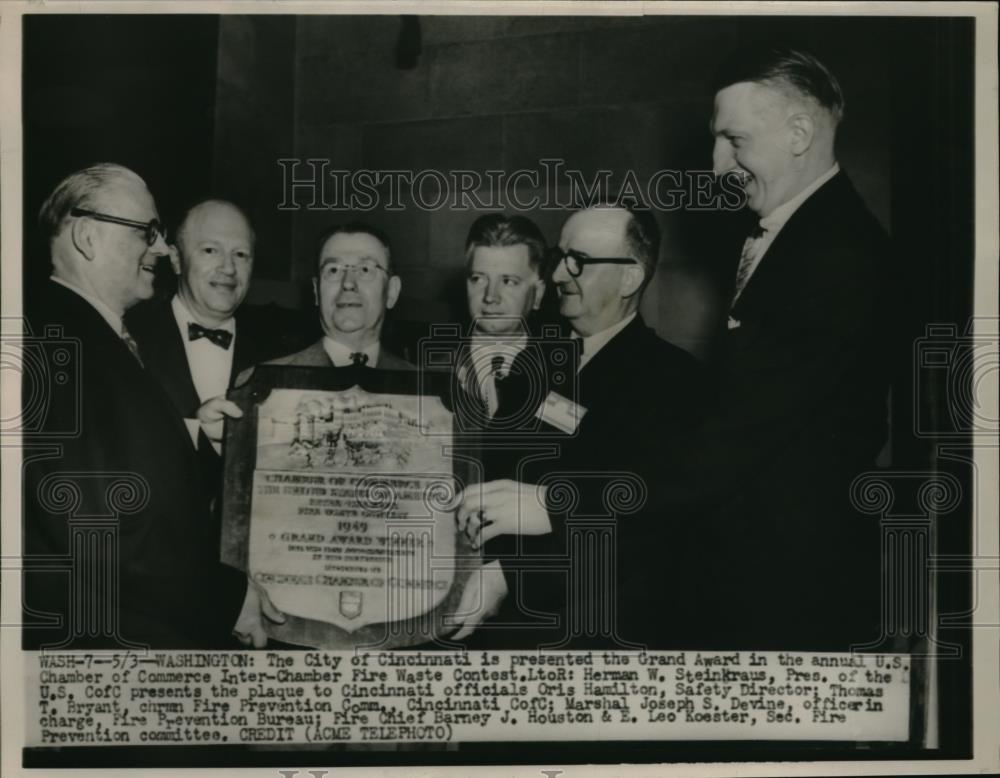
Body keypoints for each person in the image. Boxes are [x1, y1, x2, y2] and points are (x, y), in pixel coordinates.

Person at [22, 164, 280, 649]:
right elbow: (96, 528)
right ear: (87, 237)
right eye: (147, 232)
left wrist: (187, 432)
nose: (161, 249)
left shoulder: (84, 334)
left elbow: (112, 457)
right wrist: (228, 596)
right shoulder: (59, 345)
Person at [685, 47, 892, 649]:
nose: (718, 164)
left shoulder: (838, 256)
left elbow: (740, 432)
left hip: (796, 586)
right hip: (768, 565)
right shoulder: (801, 234)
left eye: (734, 140)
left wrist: (565, 506)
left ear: (799, 133)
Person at [452, 205, 706, 649]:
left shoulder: (672, 381)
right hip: (492, 621)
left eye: (580, 263)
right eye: (560, 257)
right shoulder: (538, 356)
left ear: (630, 278)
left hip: (587, 636)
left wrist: (509, 576)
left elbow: (640, 530)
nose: (561, 275)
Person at [265, 222, 412, 369]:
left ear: (391, 291)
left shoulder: (424, 387)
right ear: (316, 291)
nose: (348, 283)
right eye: (333, 270)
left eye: (365, 269)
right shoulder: (266, 379)